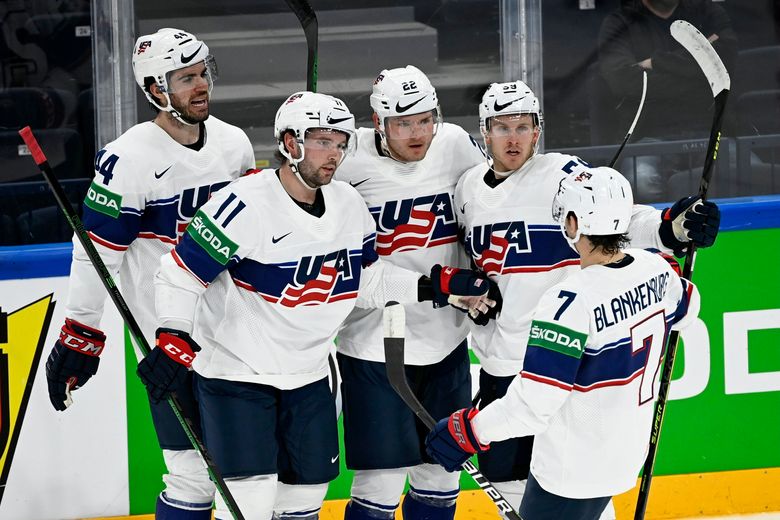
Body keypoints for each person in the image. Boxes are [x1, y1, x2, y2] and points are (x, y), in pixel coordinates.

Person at [140, 91, 493, 520]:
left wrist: (439, 284)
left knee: (305, 503)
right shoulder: (244, 202)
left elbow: (365, 280)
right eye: (322, 141)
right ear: (290, 143)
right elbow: (178, 272)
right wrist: (174, 333)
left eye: (341, 143)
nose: (335, 153)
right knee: (249, 506)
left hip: (309, 379)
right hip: (238, 377)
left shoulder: (348, 204)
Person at [447, 80, 720, 517]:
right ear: (485, 132)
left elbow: (618, 220)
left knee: (576, 486)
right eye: (502, 127)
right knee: (514, 492)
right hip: (502, 365)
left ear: (538, 131)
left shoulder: (562, 175)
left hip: (563, 366)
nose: (513, 138)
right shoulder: (466, 191)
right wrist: (468, 296)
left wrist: (670, 228)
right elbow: (471, 263)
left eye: (523, 126)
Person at [42, 28, 256, 519]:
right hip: (170, 340)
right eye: (185, 78)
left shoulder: (234, 144)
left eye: (203, 74)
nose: (201, 86)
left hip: (239, 332)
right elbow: (97, 255)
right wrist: (81, 333)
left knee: (251, 478)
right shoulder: (128, 159)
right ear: (156, 90)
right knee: (190, 478)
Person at [425, 166, 701, 520]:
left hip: (571, 469)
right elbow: (689, 307)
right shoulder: (655, 269)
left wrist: (469, 430)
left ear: (574, 223)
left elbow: (534, 404)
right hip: (624, 457)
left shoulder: (569, 302)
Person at [334, 65, 492, 520]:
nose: (417, 133)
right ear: (377, 121)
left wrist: (485, 282)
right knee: (380, 485)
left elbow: (489, 208)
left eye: (425, 120)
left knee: (441, 477)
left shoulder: (457, 145)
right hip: (373, 345)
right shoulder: (347, 160)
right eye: (403, 123)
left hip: (446, 340)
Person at [597, 0, 737, 201]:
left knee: (750, 173)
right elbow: (624, 81)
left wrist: (655, 63)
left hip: (710, 133)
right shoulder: (620, 22)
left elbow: (726, 63)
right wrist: (700, 69)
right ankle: (659, 231)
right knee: (641, 182)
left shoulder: (707, 11)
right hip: (649, 136)